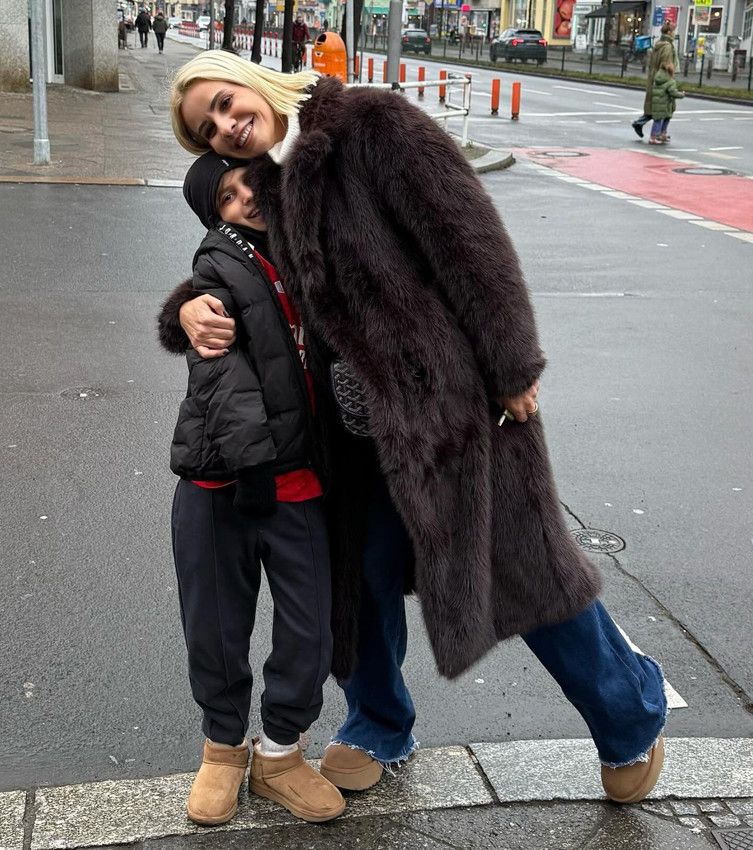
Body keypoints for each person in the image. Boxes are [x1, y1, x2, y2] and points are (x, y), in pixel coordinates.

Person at [161, 51, 667, 808]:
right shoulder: (264, 185)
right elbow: (238, 274)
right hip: (342, 435)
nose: (227, 125)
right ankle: (378, 723)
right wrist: (184, 310)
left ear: (254, 81)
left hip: (448, 407)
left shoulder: (369, 123)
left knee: (522, 567)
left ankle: (630, 711)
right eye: (208, 128)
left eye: (226, 101)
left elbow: (469, 238)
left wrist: (511, 363)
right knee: (360, 585)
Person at [162, 151, 345, 827]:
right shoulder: (218, 268)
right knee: (215, 629)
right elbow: (224, 380)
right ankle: (223, 750)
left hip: (300, 481)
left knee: (310, 630)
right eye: (227, 196)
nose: (247, 198)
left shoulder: (311, 248)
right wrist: (253, 470)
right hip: (223, 483)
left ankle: (280, 754)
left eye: (251, 182)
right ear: (214, 216)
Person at [632, 20, 677, 138]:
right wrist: (671, 72)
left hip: (654, 76)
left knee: (657, 106)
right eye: (673, 31)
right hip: (662, 79)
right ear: (669, 32)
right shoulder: (667, 46)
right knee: (662, 106)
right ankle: (653, 131)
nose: (674, 34)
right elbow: (666, 63)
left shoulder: (659, 43)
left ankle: (660, 131)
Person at [649, 62, 684, 143]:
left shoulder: (657, 78)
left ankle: (660, 134)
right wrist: (682, 94)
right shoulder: (670, 81)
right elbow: (673, 92)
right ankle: (654, 137)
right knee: (663, 119)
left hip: (657, 102)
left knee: (659, 119)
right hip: (666, 104)